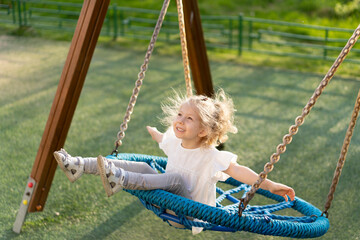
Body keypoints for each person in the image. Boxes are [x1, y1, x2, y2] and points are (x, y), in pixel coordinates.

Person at [54, 89, 295, 234]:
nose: (180, 120)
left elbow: (239, 171)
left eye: (189, 118)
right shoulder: (174, 141)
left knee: (175, 178)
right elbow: (164, 140)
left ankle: (120, 180)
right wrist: (157, 134)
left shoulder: (211, 156)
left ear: (203, 131)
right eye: (179, 114)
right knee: (146, 167)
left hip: (189, 213)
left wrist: (270, 185)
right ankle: (78, 165)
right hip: (170, 203)